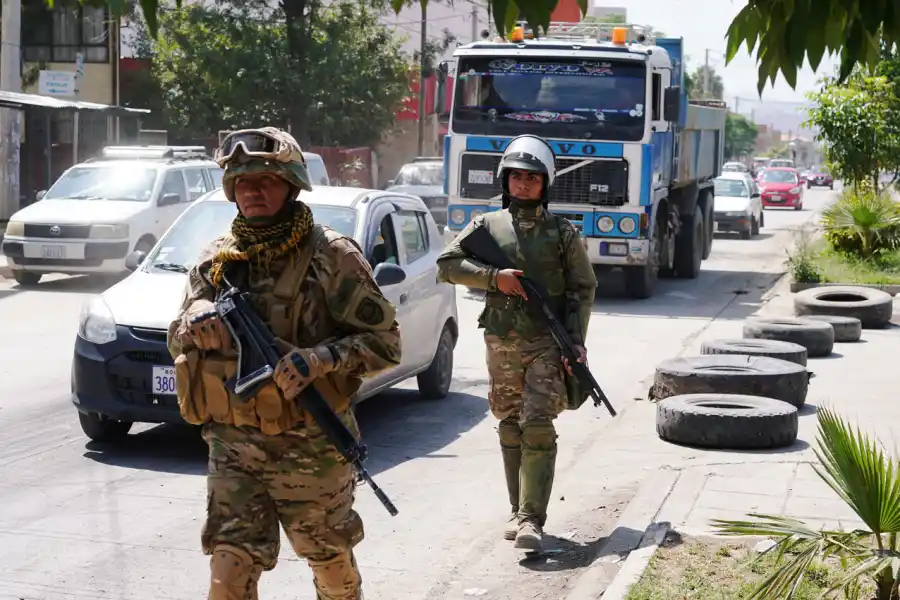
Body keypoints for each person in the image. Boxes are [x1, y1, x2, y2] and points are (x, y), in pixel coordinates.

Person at [166, 127, 402, 600]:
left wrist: (321, 359)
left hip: (311, 447)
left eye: (266, 180)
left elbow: (386, 343)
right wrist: (193, 320)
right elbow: (176, 336)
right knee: (228, 572)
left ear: (291, 184)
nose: (253, 190)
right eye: (242, 182)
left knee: (331, 569)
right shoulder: (216, 260)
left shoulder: (332, 256)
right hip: (234, 447)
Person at [436, 135, 597, 551]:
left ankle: (531, 519)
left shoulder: (561, 233)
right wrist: (495, 279)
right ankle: (516, 510)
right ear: (504, 180)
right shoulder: (487, 226)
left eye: (532, 178)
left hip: (547, 341)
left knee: (538, 425)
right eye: (516, 177)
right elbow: (448, 265)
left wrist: (575, 341)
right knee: (509, 423)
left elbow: (582, 287)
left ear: (546, 184)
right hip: (502, 342)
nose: (524, 185)